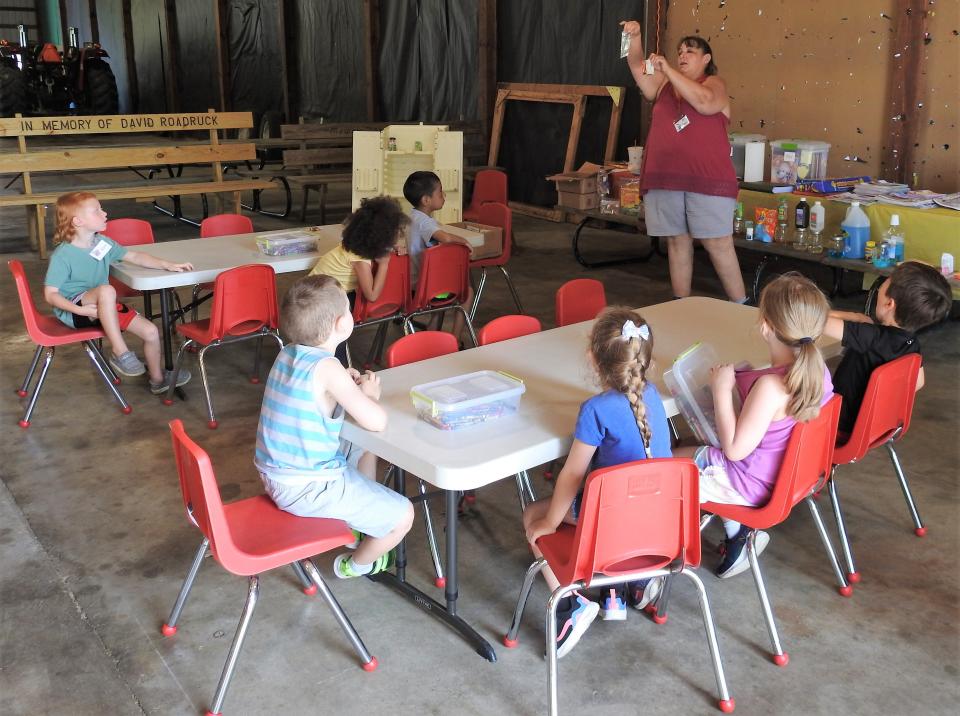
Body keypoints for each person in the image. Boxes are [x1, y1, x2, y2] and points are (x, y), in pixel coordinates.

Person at [522, 307, 672, 657]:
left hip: (615, 522)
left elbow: (572, 475)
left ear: (593, 358)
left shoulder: (595, 409)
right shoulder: (653, 396)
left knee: (533, 515)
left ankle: (570, 605)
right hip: (661, 523)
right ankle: (624, 585)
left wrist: (548, 523)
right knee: (612, 494)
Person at [255, 274, 414, 579]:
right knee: (403, 516)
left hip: (279, 475)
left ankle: (359, 520)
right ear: (343, 323)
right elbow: (376, 421)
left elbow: (315, 392)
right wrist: (368, 396)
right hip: (309, 488)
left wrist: (343, 384)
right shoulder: (328, 368)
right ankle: (356, 564)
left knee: (362, 446)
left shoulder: (288, 352)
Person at [676, 273, 834, 578]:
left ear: (765, 326)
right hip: (782, 477)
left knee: (656, 468)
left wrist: (722, 390)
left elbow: (734, 451)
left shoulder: (771, 387)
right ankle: (739, 535)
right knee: (681, 446)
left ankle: (646, 572)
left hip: (747, 484)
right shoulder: (817, 373)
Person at [620, 20, 747, 304]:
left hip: (708, 180)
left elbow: (704, 103)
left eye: (690, 51)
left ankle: (744, 306)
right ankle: (680, 304)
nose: (682, 55)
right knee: (677, 241)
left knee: (718, 243)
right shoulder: (664, 83)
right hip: (665, 177)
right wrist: (634, 37)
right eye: (680, 51)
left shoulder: (714, 83)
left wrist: (669, 70)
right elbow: (636, 65)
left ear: (706, 59)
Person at [43, 191, 194, 395]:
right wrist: (78, 311)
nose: (104, 213)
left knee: (150, 332)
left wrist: (167, 265)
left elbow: (135, 256)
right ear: (77, 221)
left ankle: (158, 380)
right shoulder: (63, 254)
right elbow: (50, 295)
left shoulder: (102, 244)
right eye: (97, 211)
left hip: (105, 307)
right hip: (76, 311)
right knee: (107, 289)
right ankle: (120, 351)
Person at [823, 261, 952, 437]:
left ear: (889, 303)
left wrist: (853, 317)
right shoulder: (911, 344)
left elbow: (815, 322)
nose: (877, 293)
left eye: (880, 290)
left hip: (838, 425)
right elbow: (918, 383)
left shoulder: (871, 337)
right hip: (877, 428)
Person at [309, 195, 410, 366]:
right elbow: (372, 295)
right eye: (394, 233)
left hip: (325, 292)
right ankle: (337, 368)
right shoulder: (360, 259)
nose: (398, 235)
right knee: (335, 338)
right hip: (318, 301)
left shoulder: (358, 244)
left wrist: (390, 247)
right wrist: (384, 264)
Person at [402, 170, 475, 342]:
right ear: (426, 200)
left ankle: (432, 336)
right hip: (426, 289)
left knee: (442, 292)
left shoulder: (411, 217)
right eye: (440, 192)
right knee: (467, 292)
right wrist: (464, 241)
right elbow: (446, 238)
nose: (444, 196)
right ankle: (454, 340)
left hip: (413, 286)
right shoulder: (425, 222)